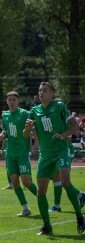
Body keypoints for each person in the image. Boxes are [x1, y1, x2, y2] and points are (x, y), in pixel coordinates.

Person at [23, 82, 84, 235]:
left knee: (64, 181)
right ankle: (47, 225)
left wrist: (63, 135)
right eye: (40, 90)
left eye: (45, 90)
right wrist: (28, 129)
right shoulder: (34, 111)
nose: (41, 93)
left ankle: (80, 217)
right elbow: (25, 135)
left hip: (61, 150)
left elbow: (75, 126)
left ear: (52, 93)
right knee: (41, 190)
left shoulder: (59, 107)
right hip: (45, 154)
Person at [0, 91, 38, 217]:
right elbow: (5, 134)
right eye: (9, 99)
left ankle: (41, 197)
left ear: (18, 101)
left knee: (26, 182)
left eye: (14, 99)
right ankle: (25, 208)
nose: (11, 101)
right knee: (15, 182)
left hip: (22, 152)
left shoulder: (24, 113)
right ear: (7, 101)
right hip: (10, 153)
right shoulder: (5, 116)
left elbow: (33, 129)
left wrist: (35, 142)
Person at [47, 98, 85, 213]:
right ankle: (78, 196)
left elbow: (68, 139)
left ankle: (60, 204)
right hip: (55, 151)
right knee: (56, 178)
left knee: (61, 179)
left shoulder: (63, 120)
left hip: (64, 151)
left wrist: (70, 151)